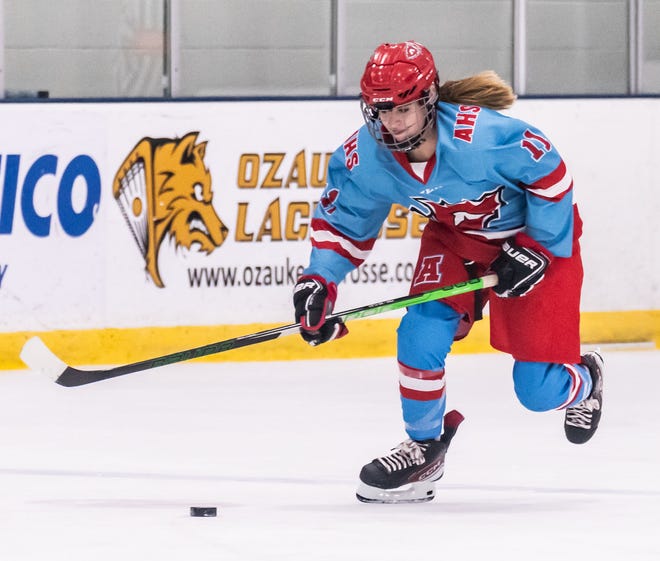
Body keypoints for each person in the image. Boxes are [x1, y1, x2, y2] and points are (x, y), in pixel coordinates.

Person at [293, 41, 604, 504]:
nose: (391, 122)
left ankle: (586, 380)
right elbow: (342, 224)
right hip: (456, 243)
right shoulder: (365, 158)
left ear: (429, 99)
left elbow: (552, 176)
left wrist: (536, 247)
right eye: (380, 110)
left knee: (537, 392)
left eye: (404, 108)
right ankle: (424, 449)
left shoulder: (485, 136)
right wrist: (319, 280)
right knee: (418, 334)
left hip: (534, 243)